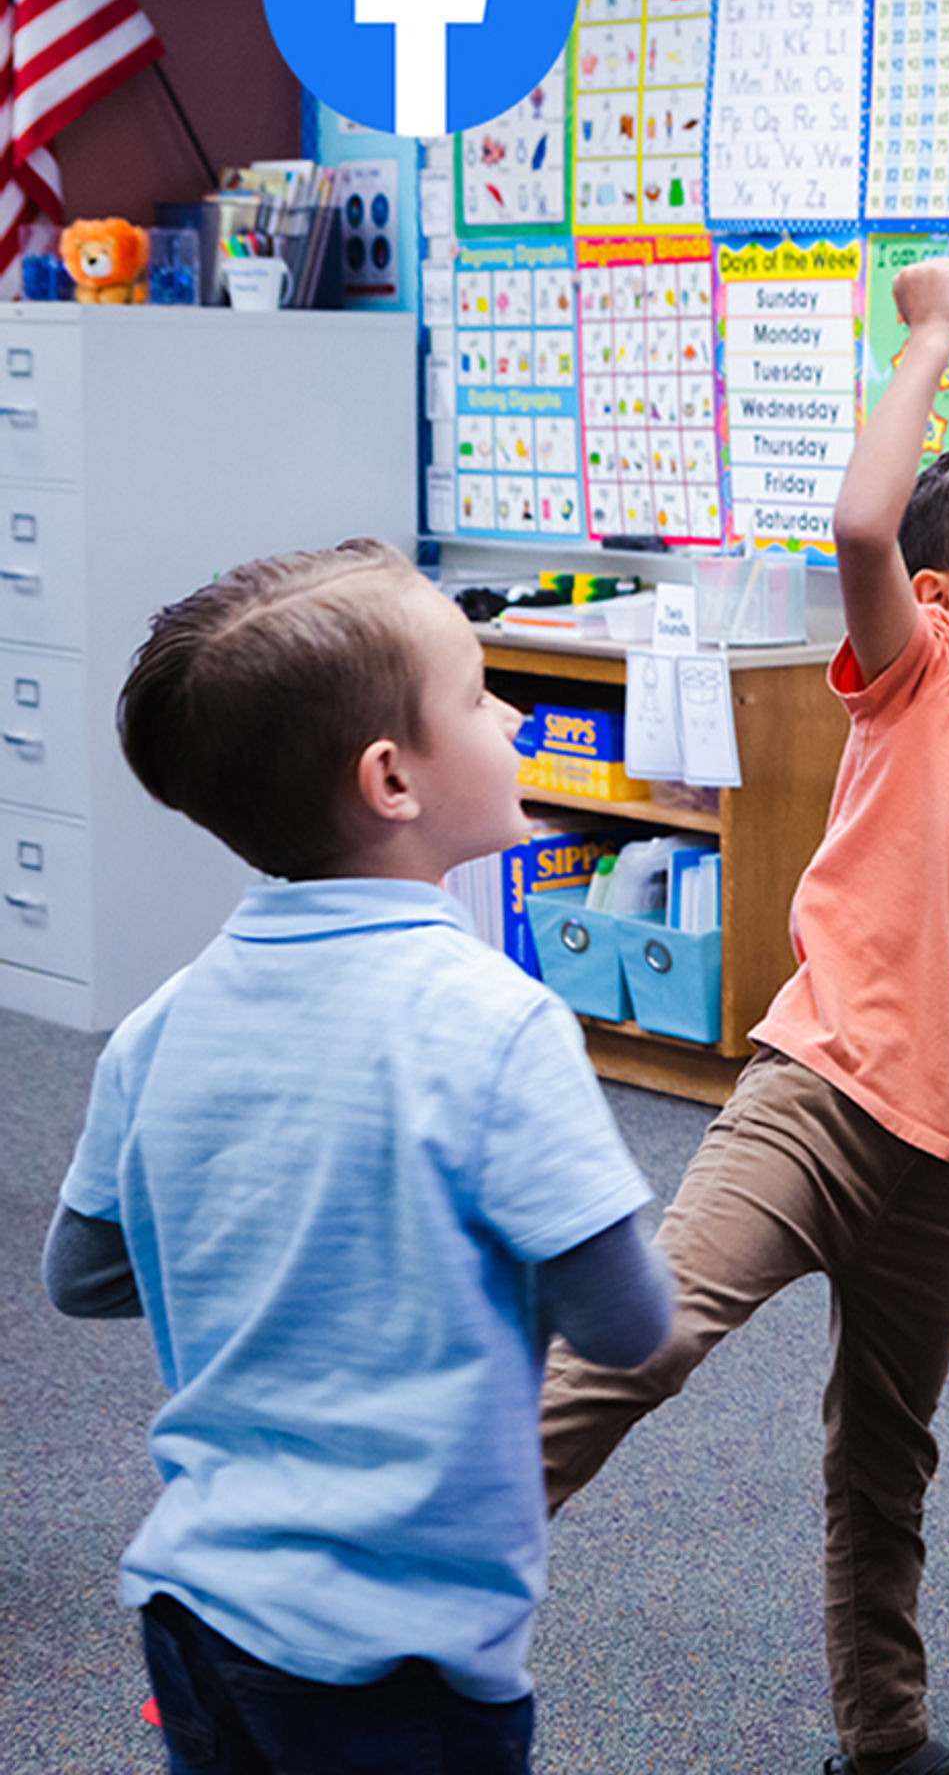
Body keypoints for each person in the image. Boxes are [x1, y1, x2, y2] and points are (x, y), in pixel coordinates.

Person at [536, 260, 949, 1775]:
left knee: (886, 1461)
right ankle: (371, 1604)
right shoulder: (919, 681)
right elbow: (863, 526)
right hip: (819, 1099)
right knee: (648, 1343)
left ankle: (883, 1741)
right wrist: (934, 341)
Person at [45, 539, 672, 1774]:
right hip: (400, 1642)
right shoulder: (498, 1024)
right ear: (392, 778)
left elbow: (84, 1274)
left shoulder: (159, 1022)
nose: (512, 713)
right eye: (482, 690)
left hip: (197, 1605)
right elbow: (624, 1323)